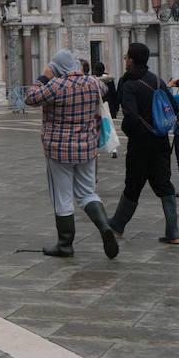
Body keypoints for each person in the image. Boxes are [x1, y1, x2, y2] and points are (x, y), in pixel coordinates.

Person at [24, 49, 116, 258]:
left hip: (59, 149)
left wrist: (44, 77)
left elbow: (30, 98)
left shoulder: (56, 85)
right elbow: (103, 88)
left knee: (62, 197)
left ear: (57, 67)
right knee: (87, 193)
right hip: (87, 147)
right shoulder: (92, 83)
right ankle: (105, 227)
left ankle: (65, 245)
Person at [109, 42, 179, 246]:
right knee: (163, 183)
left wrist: (129, 131)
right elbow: (174, 107)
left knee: (133, 184)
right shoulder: (157, 81)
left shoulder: (129, 83)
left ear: (131, 60)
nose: (125, 61)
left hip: (140, 143)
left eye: (126, 58)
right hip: (160, 141)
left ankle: (117, 225)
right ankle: (173, 231)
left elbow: (130, 115)